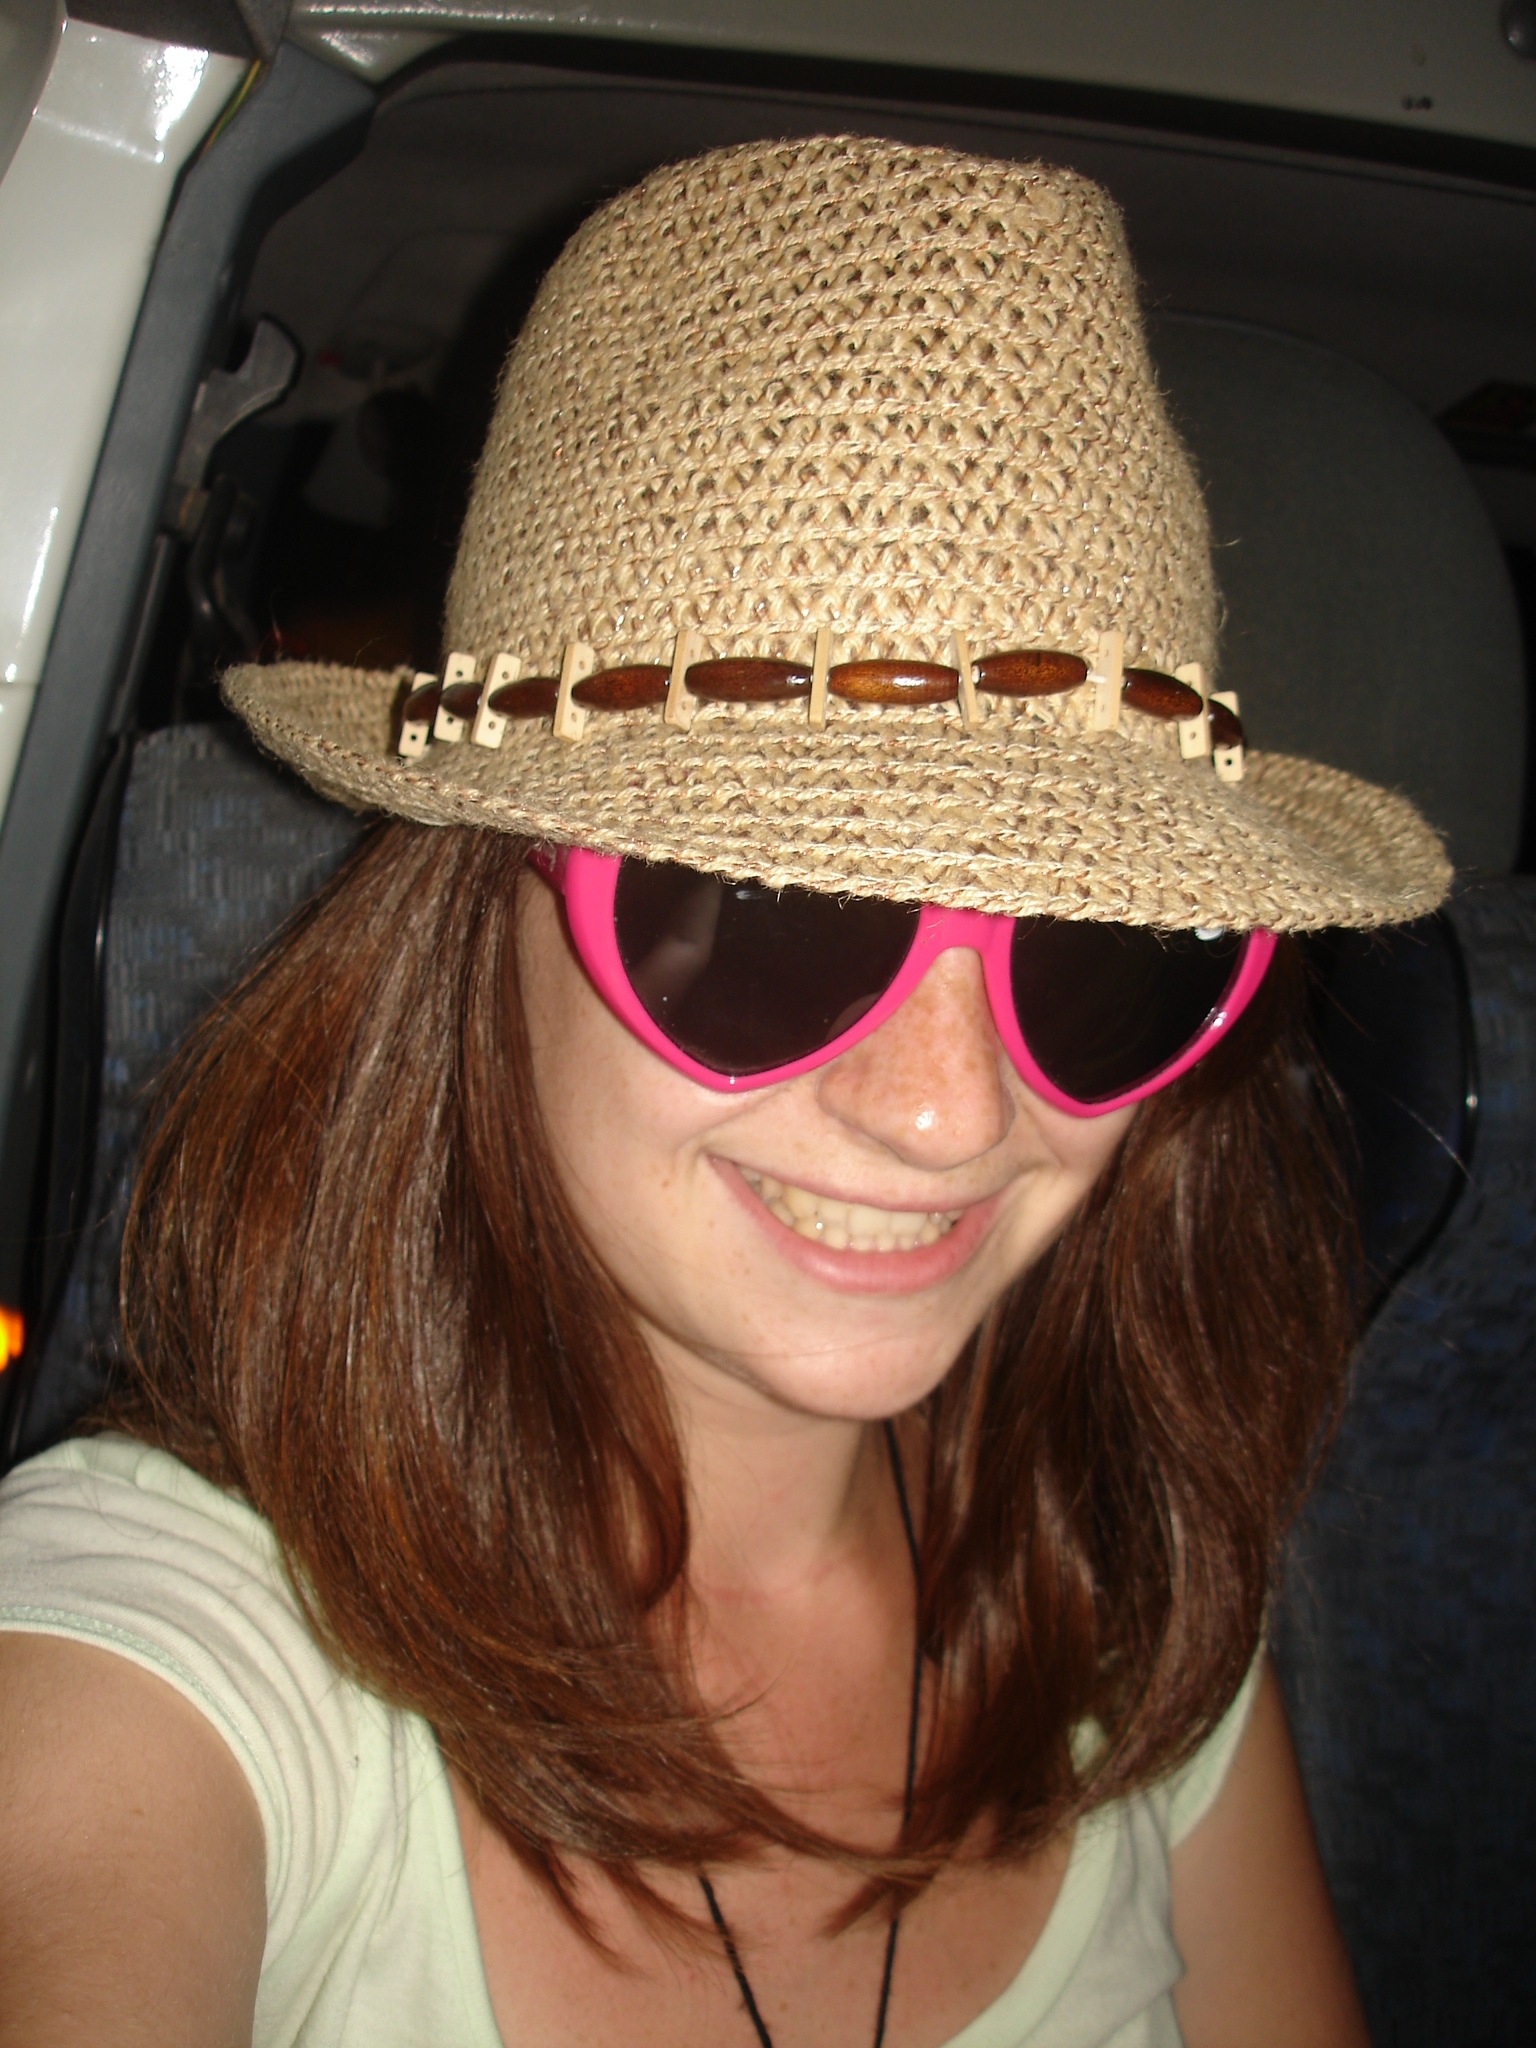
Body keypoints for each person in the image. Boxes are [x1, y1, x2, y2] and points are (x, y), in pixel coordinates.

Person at [0, 135, 1447, 2047]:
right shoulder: (162, 1642)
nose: (947, 1115)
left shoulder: (1125, 1585)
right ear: (480, 907)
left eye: (1106, 958)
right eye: (769, 923)